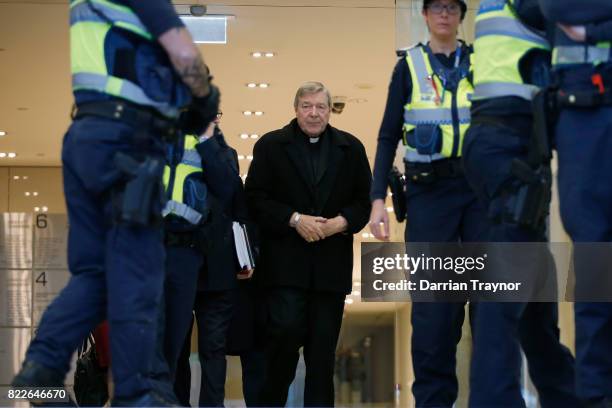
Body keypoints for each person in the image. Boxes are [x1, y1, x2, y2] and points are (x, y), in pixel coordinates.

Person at [12, 0, 219, 405]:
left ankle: (38, 373)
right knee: (138, 277)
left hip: (85, 137)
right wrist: (205, 98)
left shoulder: (86, 3)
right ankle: (136, 396)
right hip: (127, 144)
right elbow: (183, 53)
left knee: (95, 275)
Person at [368, 1, 488, 406]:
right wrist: (377, 201)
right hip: (429, 195)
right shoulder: (408, 67)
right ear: (424, 14)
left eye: (452, 8)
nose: (444, 15)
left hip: (479, 193)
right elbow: (387, 137)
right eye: (436, 7)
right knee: (435, 309)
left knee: (490, 303)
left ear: (460, 15)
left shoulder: (481, 63)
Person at [460, 1, 580, 406]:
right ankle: (494, 399)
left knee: (535, 282)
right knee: (509, 285)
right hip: (509, 140)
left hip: (500, 140)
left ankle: (565, 394)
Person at [245, 81, 371, 407]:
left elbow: (364, 200)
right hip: (285, 270)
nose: (313, 113)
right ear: (296, 108)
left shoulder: (351, 148)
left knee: (322, 358)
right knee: (283, 340)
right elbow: (255, 199)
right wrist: (295, 219)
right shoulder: (271, 146)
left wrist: (341, 223)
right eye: (307, 106)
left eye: (320, 107)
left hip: (330, 272)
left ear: (330, 110)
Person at [537, 1, 612, 406]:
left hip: (590, 121)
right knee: (594, 266)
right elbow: (556, 8)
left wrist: (594, 31)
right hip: (581, 122)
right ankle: (596, 397)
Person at [158, 110, 238, 387]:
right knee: (158, 344)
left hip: (199, 258)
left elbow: (229, 194)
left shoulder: (217, 148)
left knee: (196, 347)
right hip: (156, 254)